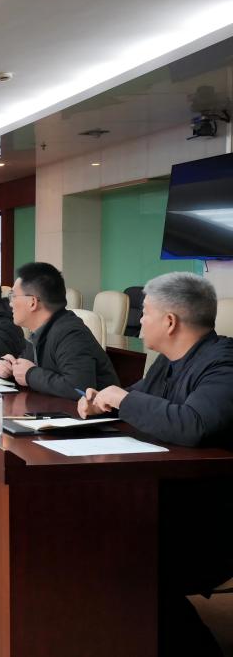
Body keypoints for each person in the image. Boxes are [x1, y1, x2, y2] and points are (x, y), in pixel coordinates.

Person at [78, 272, 233, 656]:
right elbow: (137, 399)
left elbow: (193, 424)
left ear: (170, 321)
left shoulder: (224, 364)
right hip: (167, 494)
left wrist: (122, 400)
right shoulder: (168, 361)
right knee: (86, 531)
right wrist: (102, 403)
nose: (140, 321)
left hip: (211, 516)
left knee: (119, 554)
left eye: (145, 313)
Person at [0, 262, 119, 399]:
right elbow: (27, 367)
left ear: (32, 302)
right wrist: (10, 367)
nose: (10, 303)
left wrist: (30, 374)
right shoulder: (40, 330)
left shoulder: (70, 334)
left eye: (13, 296)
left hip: (96, 412)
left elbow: (80, 389)